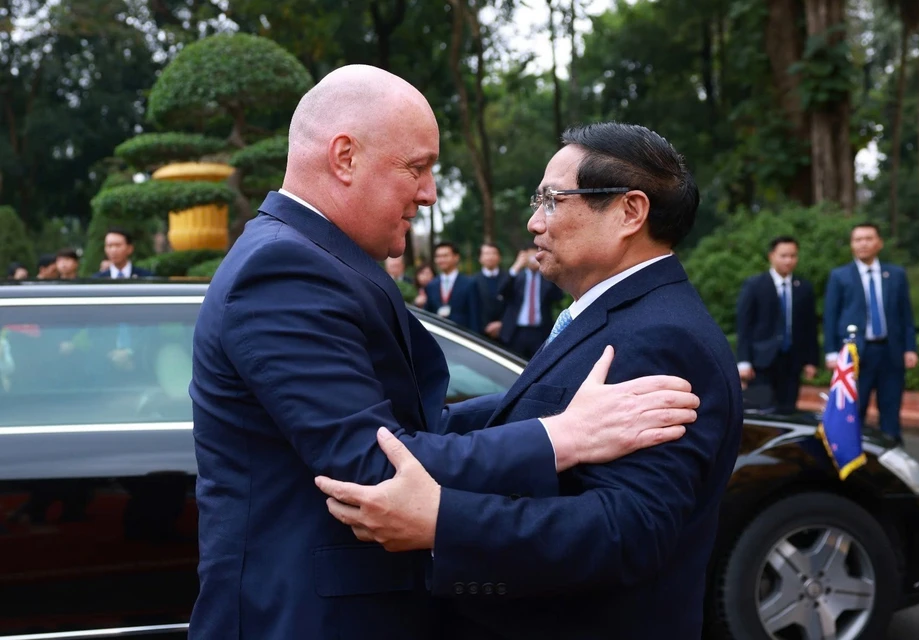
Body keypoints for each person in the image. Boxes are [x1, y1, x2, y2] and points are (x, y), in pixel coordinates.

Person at [188, 66, 699, 640]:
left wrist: (547, 412)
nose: (429, 193)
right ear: (344, 157)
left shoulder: (312, 257)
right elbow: (378, 467)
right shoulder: (282, 270)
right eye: (417, 167)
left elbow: (410, 420)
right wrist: (563, 437)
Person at [317, 123, 744, 639]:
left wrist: (442, 520)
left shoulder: (663, 338)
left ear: (630, 212)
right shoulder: (614, 317)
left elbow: (626, 531)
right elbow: (538, 408)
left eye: (552, 200)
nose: (533, 222)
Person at [823, 222, 918, 444]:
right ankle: (858, 460)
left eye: (868, 238)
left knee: (891, 411)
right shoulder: (840, 276)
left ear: (879, 243)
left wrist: (910, 347)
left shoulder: (895, 274)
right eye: (858, 239)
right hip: (856, 355)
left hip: (890, 352)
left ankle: (893, 459)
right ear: (851, 245)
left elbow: (906, 314)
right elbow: (830, 316)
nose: (863, 243)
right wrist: (830, 352)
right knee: (856, 411)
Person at [736, 236, 819, 413]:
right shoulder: (755, 285)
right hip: (761, 363)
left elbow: (810, 327)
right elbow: (744, 325)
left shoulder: (803, 288)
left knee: (788, 411)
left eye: (793, 255)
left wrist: (811, 361)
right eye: (783, 255)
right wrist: (744, 360)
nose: (788, 260)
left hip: (792, 362)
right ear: (772, 256)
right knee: (762, 412)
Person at [498, 243, 564, 358]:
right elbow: (502, 292)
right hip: (516, 331)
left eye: (537, 255)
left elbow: (558, 296)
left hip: (540, 332)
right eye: (530, 256)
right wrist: (516, 267)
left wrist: (549, 269)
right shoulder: (516, 276)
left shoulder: (547, 279)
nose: (534, 259)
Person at [424, 242, 482, 332]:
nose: (441, 260)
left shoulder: (469, 284)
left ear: (456, 257)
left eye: (445, 256)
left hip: (462, 336)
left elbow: (475, 317)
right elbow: (428, 313)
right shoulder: (431, 285)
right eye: (438, 256)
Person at [476, 242, 509, 341]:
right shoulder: (473, 281)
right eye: (486, 254)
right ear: (480, 258)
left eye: (493, 253)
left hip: (506, 333)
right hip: (480, 334)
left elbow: (513, 304)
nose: (490, 257)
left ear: (499, 257)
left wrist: (502, 323)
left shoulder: (509, 278)